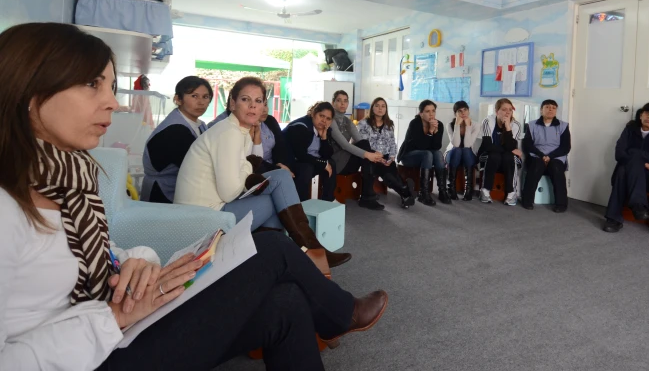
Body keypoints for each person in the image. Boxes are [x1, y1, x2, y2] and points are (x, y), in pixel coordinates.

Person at [0, 22, 387, 371]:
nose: (112, 102)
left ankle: (321, 281)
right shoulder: (8, 205)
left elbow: (99, 255)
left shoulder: (71, 178)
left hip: (117, 325)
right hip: (99, 352)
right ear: (30, 91)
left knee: (285, 302)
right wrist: (111, 317)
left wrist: (141, 263)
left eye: (109, 86)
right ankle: (332, 296)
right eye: (92, 84)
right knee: (271, 248)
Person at [175, 78, 351, 268]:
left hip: (209, 210)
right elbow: (230, 191)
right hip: (204, 221)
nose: (252, 106)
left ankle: (290, 256)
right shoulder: (229, 133)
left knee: (281, 178)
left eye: (258, 101)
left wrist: (250, 167)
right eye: (245, 99)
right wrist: (249, 167)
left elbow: (247, 167)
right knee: (277, 200)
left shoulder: (237, 129)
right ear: (232, 103)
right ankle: (308, 253)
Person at [602, 102, 649, 233]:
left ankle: (613, 219)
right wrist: (645, 162)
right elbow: (619, 154)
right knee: (623, 171)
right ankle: (639, 205)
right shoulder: (630, 129)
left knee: (623, 170)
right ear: (641, 115)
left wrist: (635, 153)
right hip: (630, 174)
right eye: (647, 113)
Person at [141, 76, 212, 203]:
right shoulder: (175, 130)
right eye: (194, 96)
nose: (201, 102)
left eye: (205, 97)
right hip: (162, 194)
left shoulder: (200, 125)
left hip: (182, 189)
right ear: (178, 99)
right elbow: (199, 167)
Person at [329, 90, 385, 210]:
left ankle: (368, 195)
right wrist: (368, 155)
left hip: (347, 160)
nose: (342, 104)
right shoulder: (331, 120)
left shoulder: (348, 122)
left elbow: (359, 141)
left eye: (345, 101)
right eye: (339, 101)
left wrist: (373, 154)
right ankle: (367, 195)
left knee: (364, 144)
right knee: (366, 153)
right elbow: (344, 145)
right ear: (333, 103)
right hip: (336, 163)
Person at [357, 97, 417, 209]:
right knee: (383, 169)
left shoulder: (389, 124)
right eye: (377, 105)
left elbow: (392, 143)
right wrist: (376, 156)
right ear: (372, 108)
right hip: (369, 156)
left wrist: (391, 157)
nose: (380, 108)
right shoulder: (363, 123)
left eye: (383, 106)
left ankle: (405, 193)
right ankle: (406, 191)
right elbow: (363, 143)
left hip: (385, 157)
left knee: (390, 172)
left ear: (386, 109)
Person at [521, 99, 571, 212]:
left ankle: (561, 204)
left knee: (556, 167)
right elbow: (527, 144)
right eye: (547, 107)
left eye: (553, 108)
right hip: (537, 156)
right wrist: (541, 155)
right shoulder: (532, 125)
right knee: (536, 165)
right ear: (541, 110)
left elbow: (565, 147)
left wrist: (550, 156)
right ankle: (527, 201)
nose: (551, 110)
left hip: (556, 157)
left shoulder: (563, 126)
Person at [284, 102, 338, 203]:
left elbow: (327, 155)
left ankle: (328, 200)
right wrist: (322, 163)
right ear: (313, 113)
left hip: (310, 161)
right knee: (306, 168)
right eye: (321, 116)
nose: (324, 121)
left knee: (331, 163)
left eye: (328, 118)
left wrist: (324, 138)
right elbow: (300, 155)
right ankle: (301, 204)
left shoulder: (326, 129)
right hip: (290, 162)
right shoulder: (300, 126)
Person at [398, 100, 447, 205]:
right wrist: (430, 132)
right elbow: (420, 146)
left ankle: (442, 190)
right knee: (427, 154)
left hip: (426, 157)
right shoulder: (415, 123)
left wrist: (435, 132)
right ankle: (423, 193)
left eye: (433, 111)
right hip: (408, 156)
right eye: (427, 111)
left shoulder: (439, 125)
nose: (431, 114)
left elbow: (437, 146)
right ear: (421, 113)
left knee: (438, 153)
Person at [478, 99, 522, 206]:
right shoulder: (487, 121)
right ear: (497, 111)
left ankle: (511, 193)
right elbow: (488, 146)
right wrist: (509, 150)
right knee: (495, 155)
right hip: (488, 156)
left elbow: (511, 146)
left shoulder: (516, 125)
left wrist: (507, 127)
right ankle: (485, 190)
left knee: (508, 157)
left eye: (510, 110)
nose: (507, 112)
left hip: (508, 158)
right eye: (504, 109)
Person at [444, 101, 480, 201]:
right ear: (455, 113)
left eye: (465, 110)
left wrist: (468, 126)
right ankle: (451, 188)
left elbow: (468, 144)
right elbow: (455, 143)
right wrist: (457, 125)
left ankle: (468, 190)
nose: (463, 113)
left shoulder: (475, 125)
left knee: (465, 149)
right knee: (457, 149)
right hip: (452, 154)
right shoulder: (450, 125)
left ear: (468, 111)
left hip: (468, 155)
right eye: (459, 111)